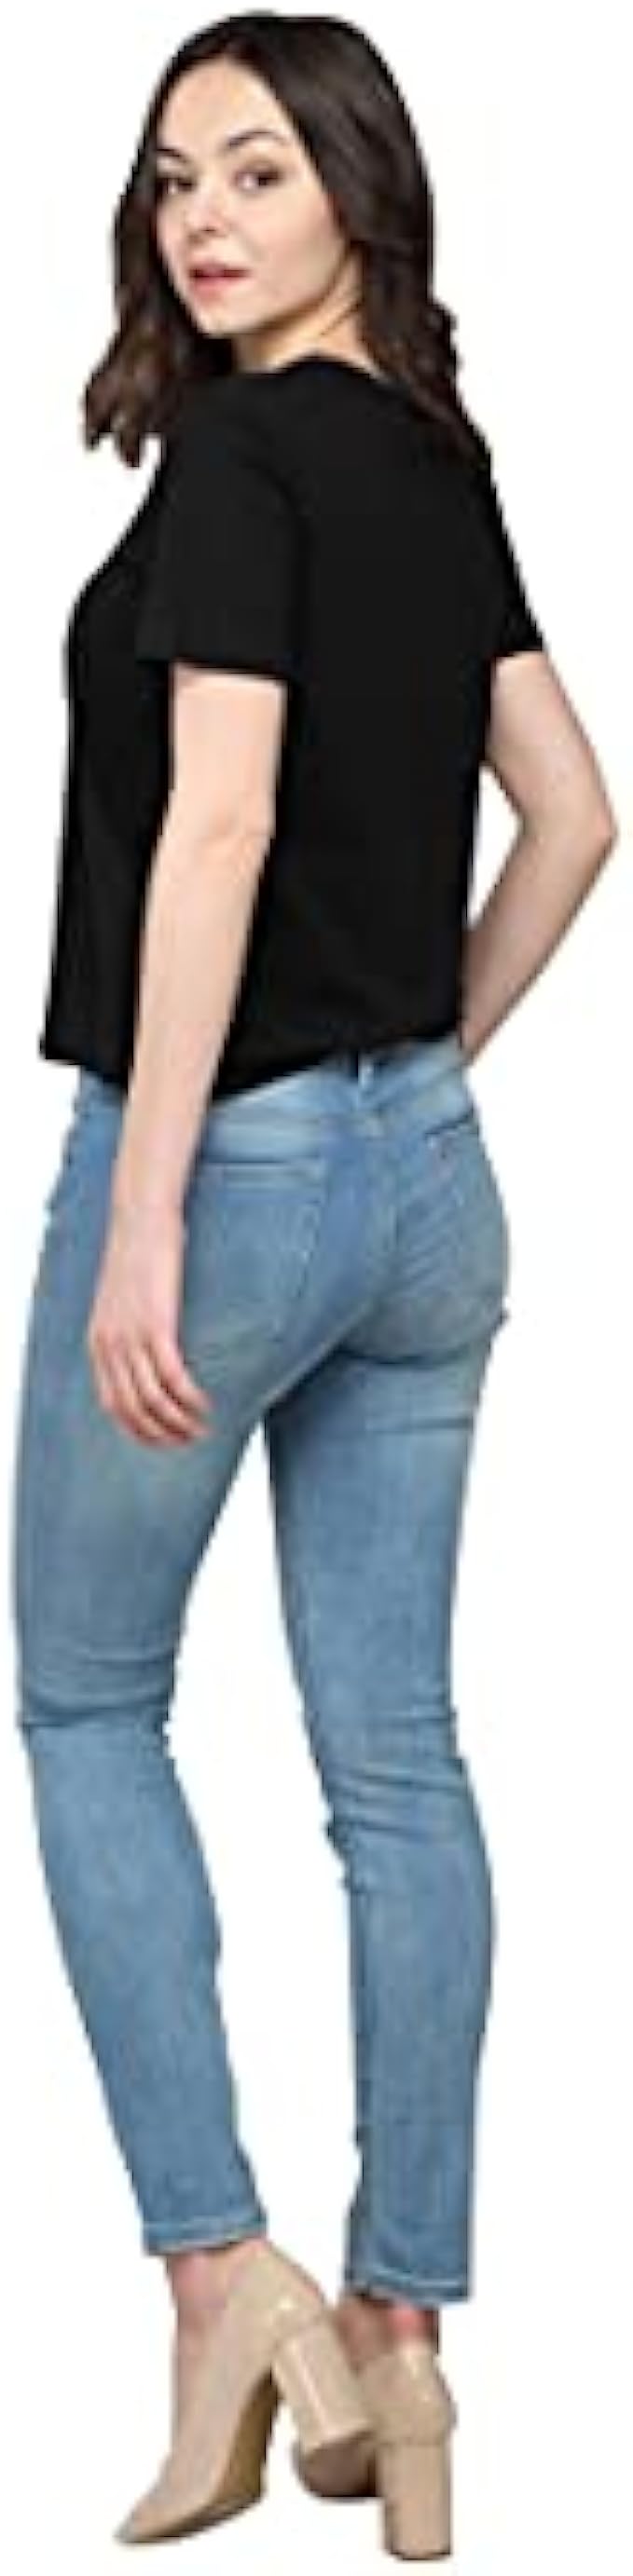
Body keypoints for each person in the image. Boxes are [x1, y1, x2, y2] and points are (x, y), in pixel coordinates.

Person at [10, 14, 617, 2556]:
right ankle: (409, 2344)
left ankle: (219, 2284)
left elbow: (222, 820)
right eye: (172, 178)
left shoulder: (249, 458)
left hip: (228, 1173)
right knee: (401, 1762)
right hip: (423, 1193)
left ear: (361, 181)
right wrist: (418, 1072)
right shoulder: (435, 458)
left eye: (257, 169)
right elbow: (574, 815)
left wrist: (153, 1199)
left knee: (84, 1698)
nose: (203, 218)